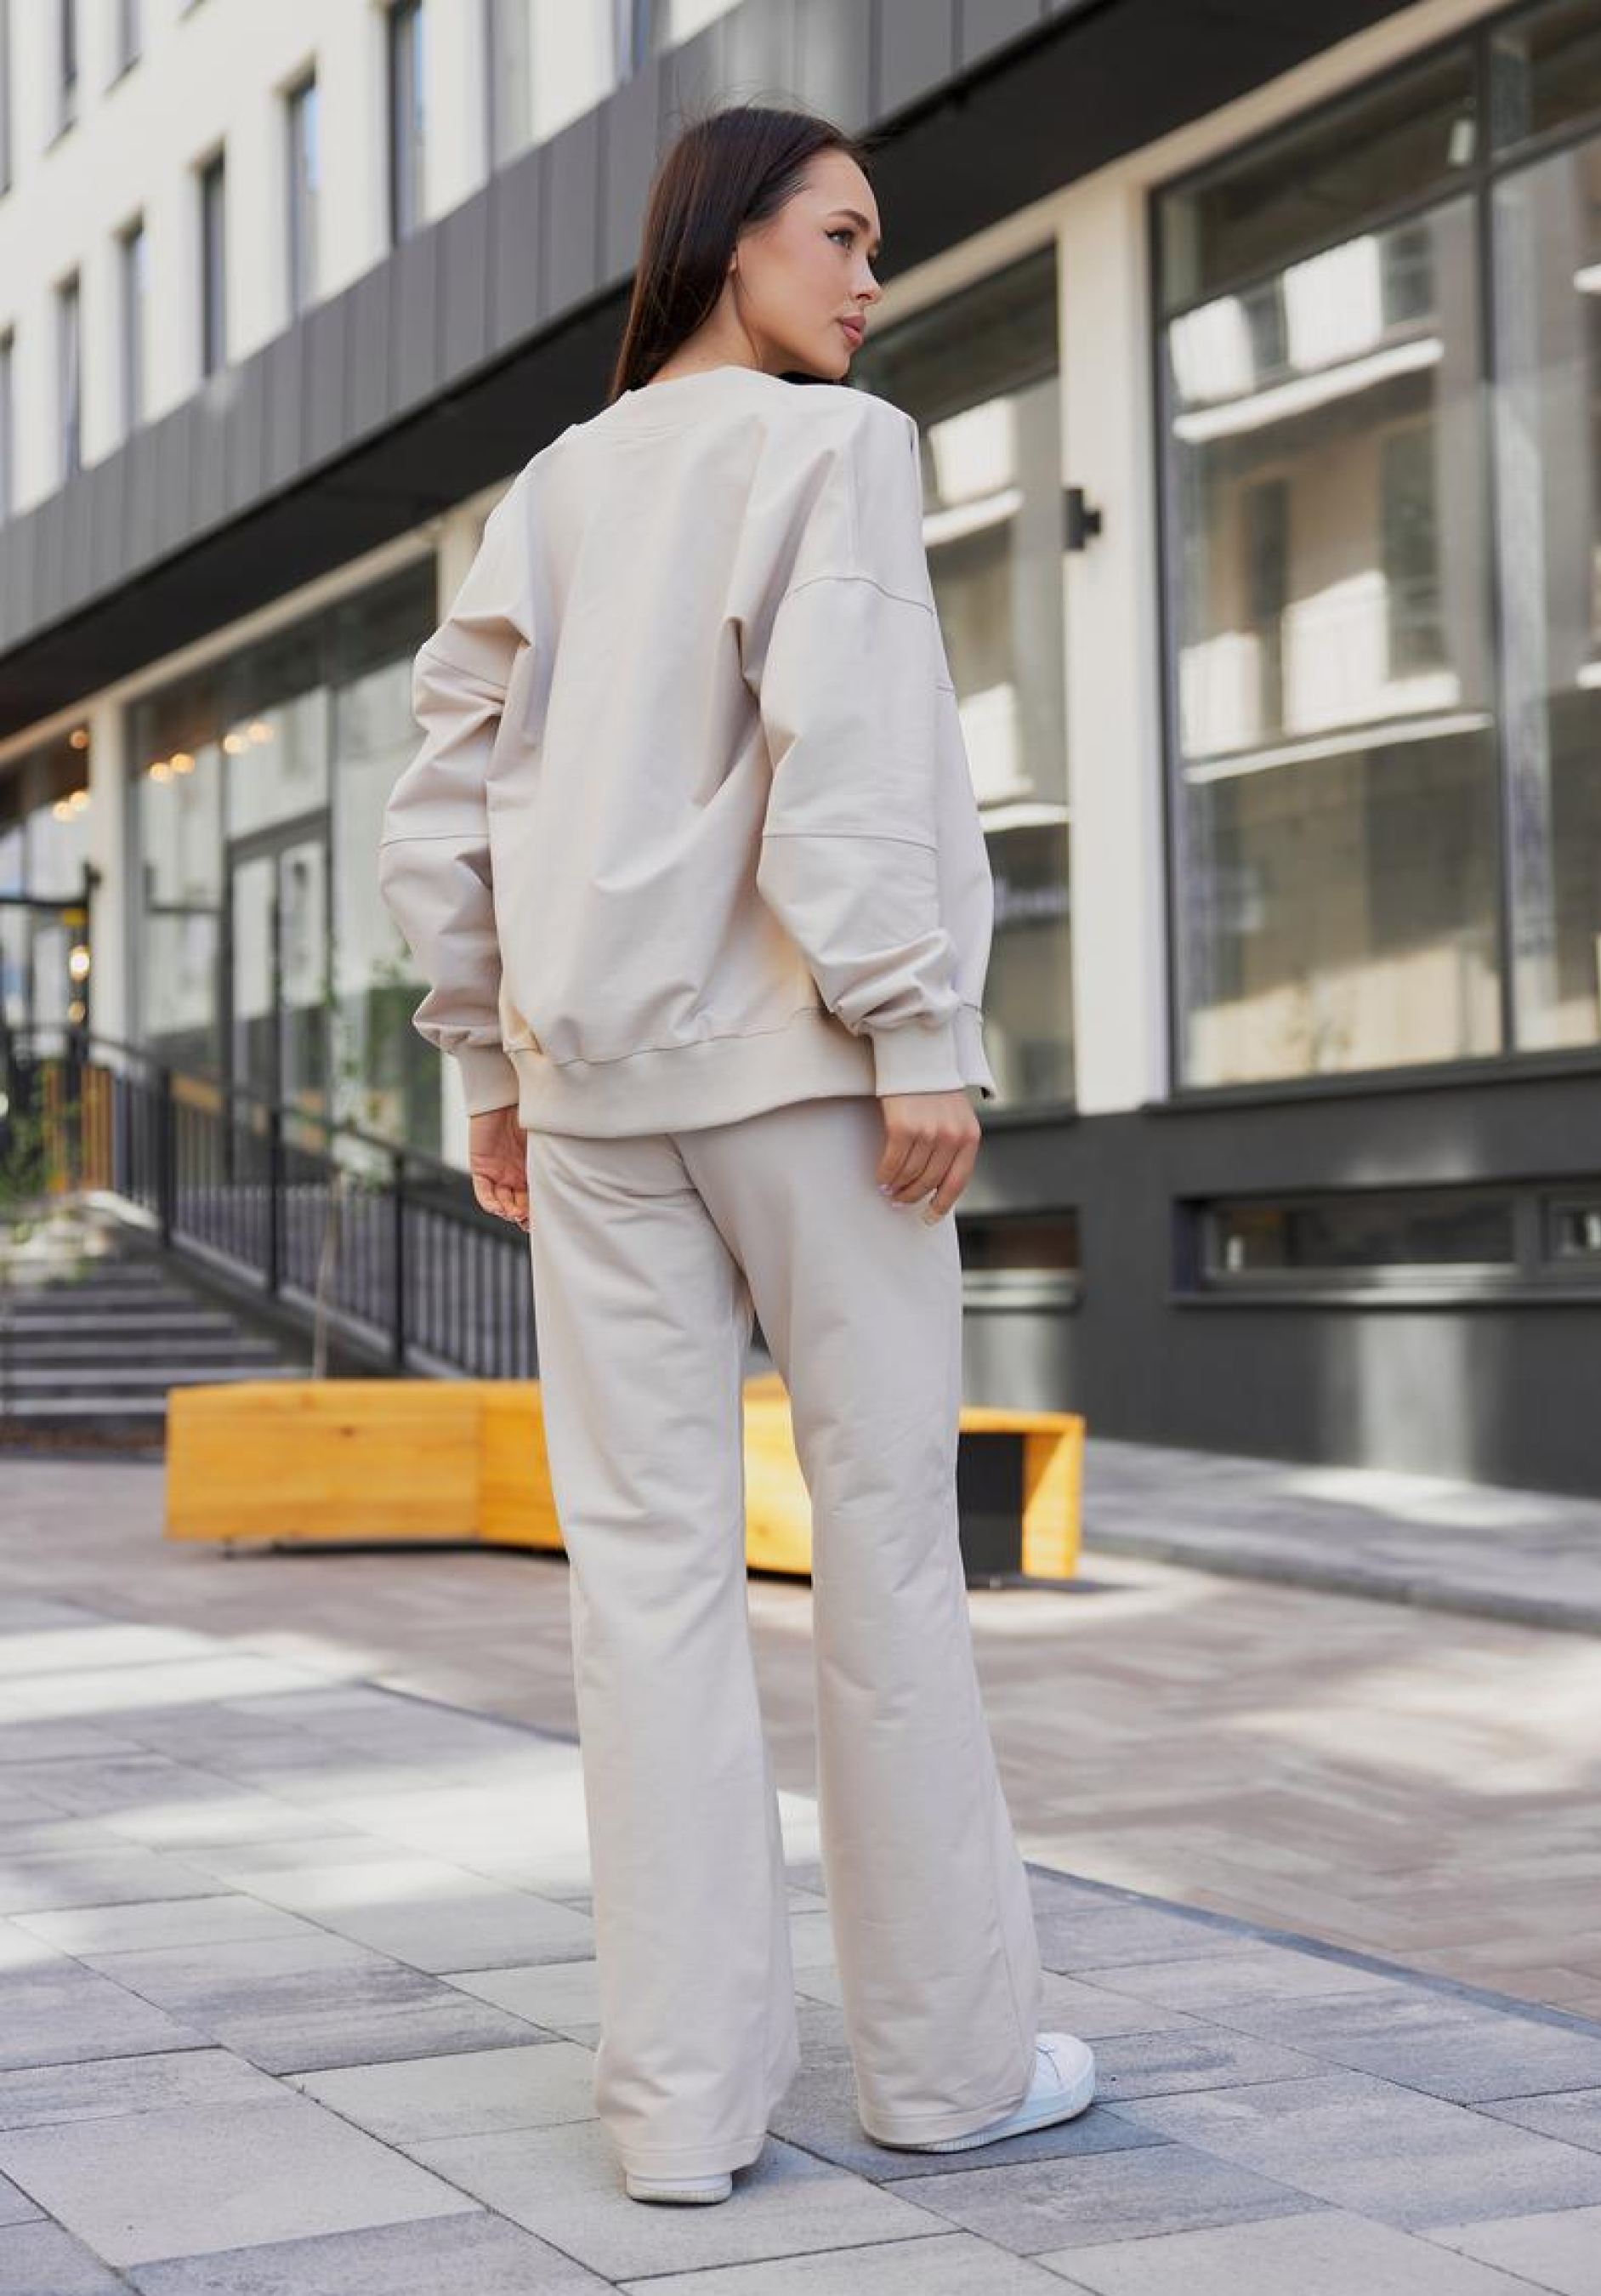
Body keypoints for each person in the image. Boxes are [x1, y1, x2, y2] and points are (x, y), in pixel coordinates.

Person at [376, 99, 1094, 2207]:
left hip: (591, 1096)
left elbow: (445, 789)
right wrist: (918, 1025)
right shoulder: (828, 449)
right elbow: (846, 737)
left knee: (648, 1587)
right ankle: (946, 2070)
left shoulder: (556, 485)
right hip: (805, 1078)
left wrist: (481, 1066)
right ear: (729, 240)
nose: (870, 278)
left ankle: (678, 2112)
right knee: (881, 1554)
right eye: (840, 235)